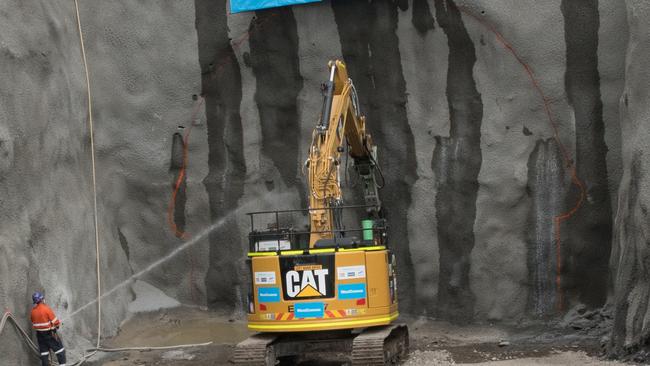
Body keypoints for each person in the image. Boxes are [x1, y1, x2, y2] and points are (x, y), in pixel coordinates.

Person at [30, 292, 66, 366]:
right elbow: (55, 322)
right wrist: (56, 325)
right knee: (60, 351)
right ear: (41, 299)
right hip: (49, 334)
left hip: (39, 335)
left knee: (44, 354)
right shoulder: (46, 309)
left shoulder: (33, 311)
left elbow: (34, 322)